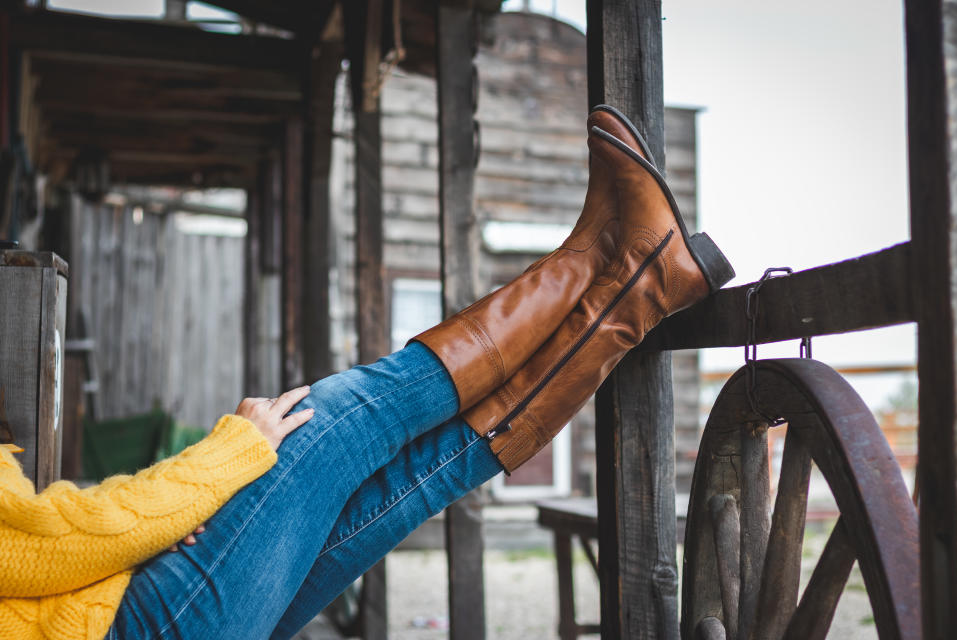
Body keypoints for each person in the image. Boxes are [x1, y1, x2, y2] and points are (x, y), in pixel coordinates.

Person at [0, 105, 733, 640]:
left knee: (407, 482)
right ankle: (612, 259)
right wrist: (225, 456)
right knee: (331, 420)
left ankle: (638, 285)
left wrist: (145, 532)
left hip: (137, 618)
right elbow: (44, 545)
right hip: (141, 625)